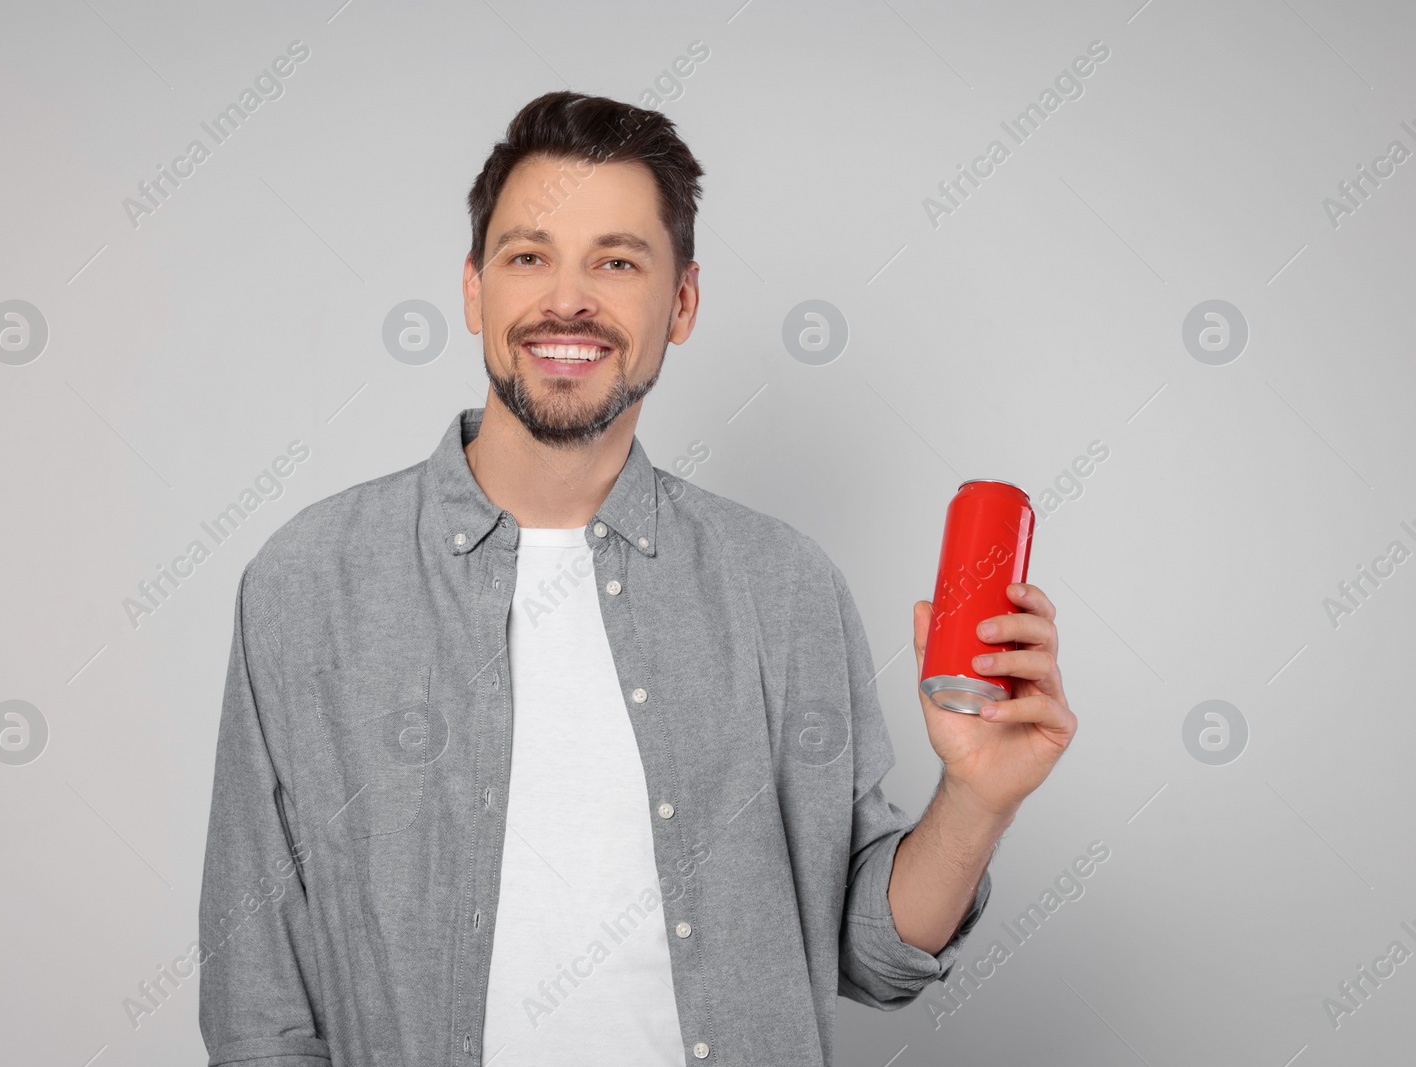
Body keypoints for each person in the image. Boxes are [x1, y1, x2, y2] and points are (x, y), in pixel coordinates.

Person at [196, 90, 1077, 1067]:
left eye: (616, 261)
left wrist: (976, 794)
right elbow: (257, 1001)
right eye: (528, 256)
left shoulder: (781, 586)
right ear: (472, 290)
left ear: (683, 303)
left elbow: (868, 952)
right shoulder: (309, 583)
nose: (566, 300)